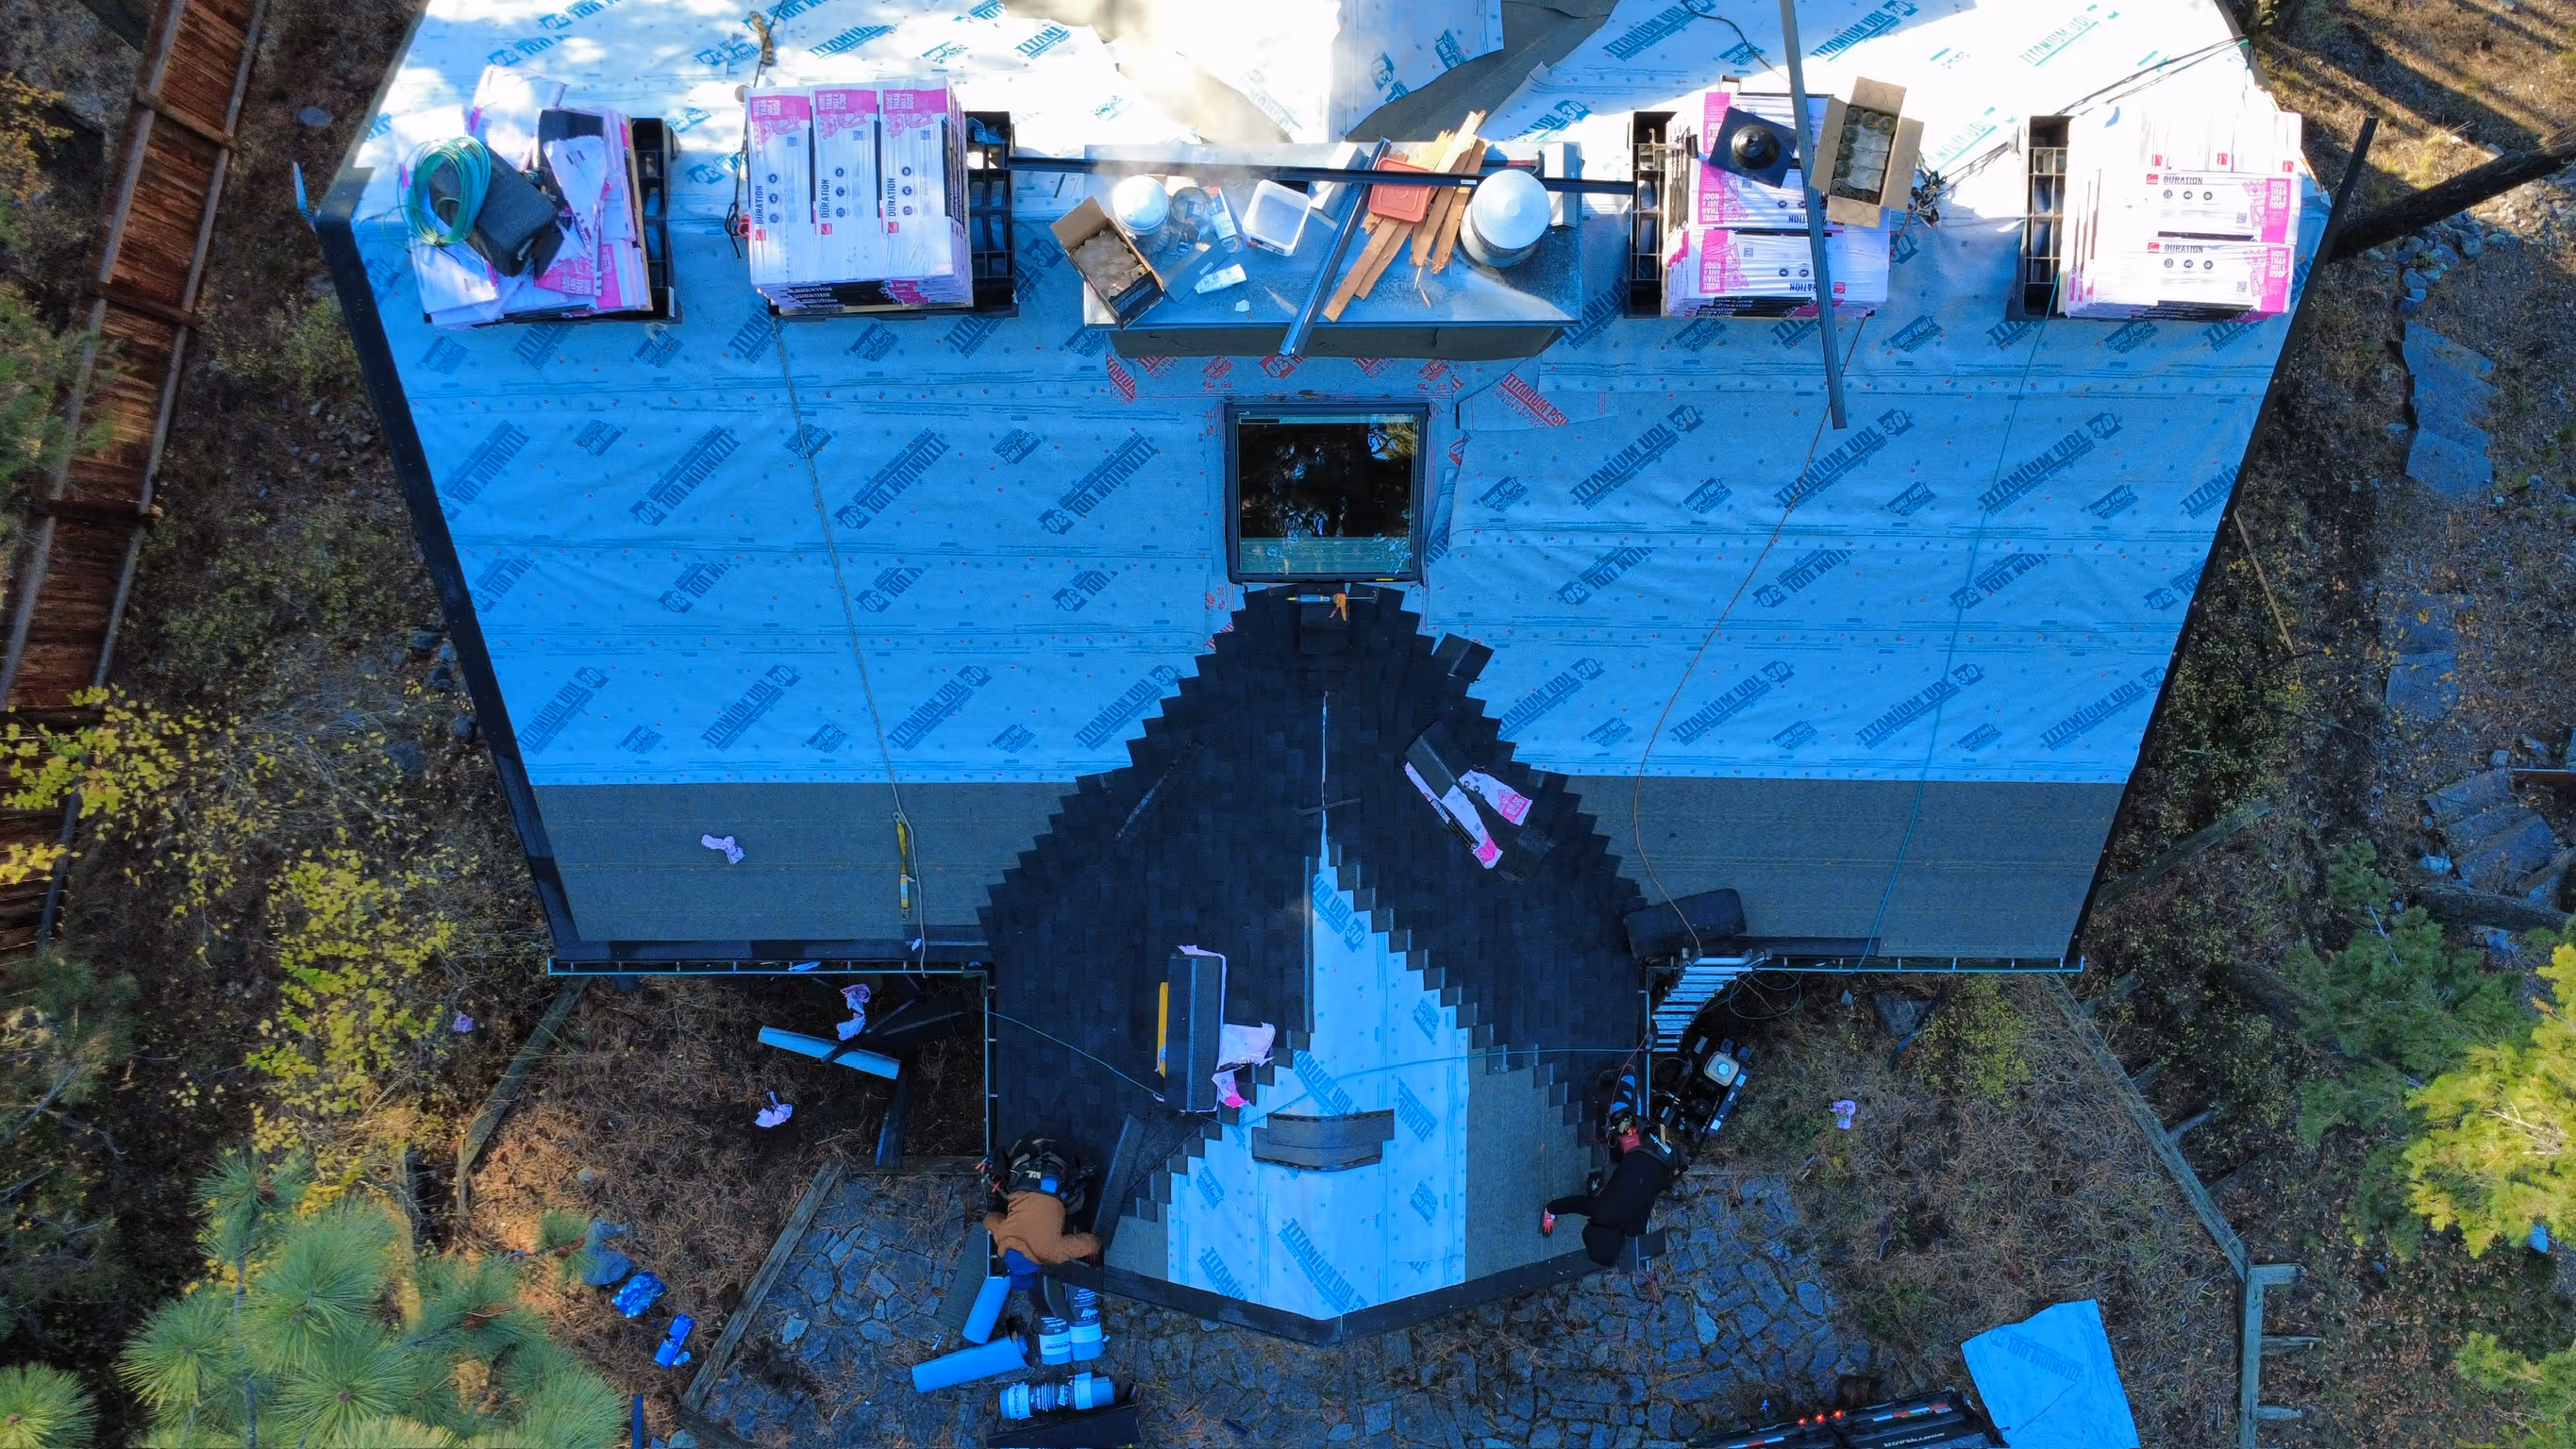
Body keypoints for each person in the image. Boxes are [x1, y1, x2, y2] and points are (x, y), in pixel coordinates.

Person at [983, 1138, 1102, 1291]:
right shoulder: (1002, 1238)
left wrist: (1094, 1250)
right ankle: (1038, 1149)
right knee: (1009, 1194)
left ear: (1034, 1272)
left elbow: (1091, 1242)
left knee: (1075, 1207)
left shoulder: (1051, 1253)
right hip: (1022, 1175)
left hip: (1055, 1178)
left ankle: (1078, 1170)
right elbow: (989, 1219)